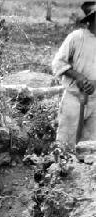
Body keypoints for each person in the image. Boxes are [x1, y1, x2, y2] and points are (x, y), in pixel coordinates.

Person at [52, 1, 96, 149]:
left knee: (90, 149)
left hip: (95, 102)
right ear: (92, 19)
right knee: (66, 146)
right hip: (74, 99)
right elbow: (58, 63)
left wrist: (93, 84)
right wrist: (78, 76)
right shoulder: (77, 37)